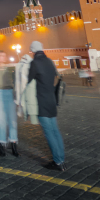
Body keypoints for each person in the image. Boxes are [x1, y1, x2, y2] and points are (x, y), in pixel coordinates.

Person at [27, 41, 66, 171]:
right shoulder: (49, 61)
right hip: (51, 100)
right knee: (55, 130)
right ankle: (61, 159)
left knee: (49, 132)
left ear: (32, 51)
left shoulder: (34, 63)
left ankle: (57, 162)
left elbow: (28, 80)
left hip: (42, 102)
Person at [15, 51, 38, 125]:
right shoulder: (19, 65)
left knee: (28, 103)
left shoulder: (29, 65)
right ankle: (32, 118)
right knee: (28, 103)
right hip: (25, 87)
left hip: (26, 87)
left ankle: (32, 119)